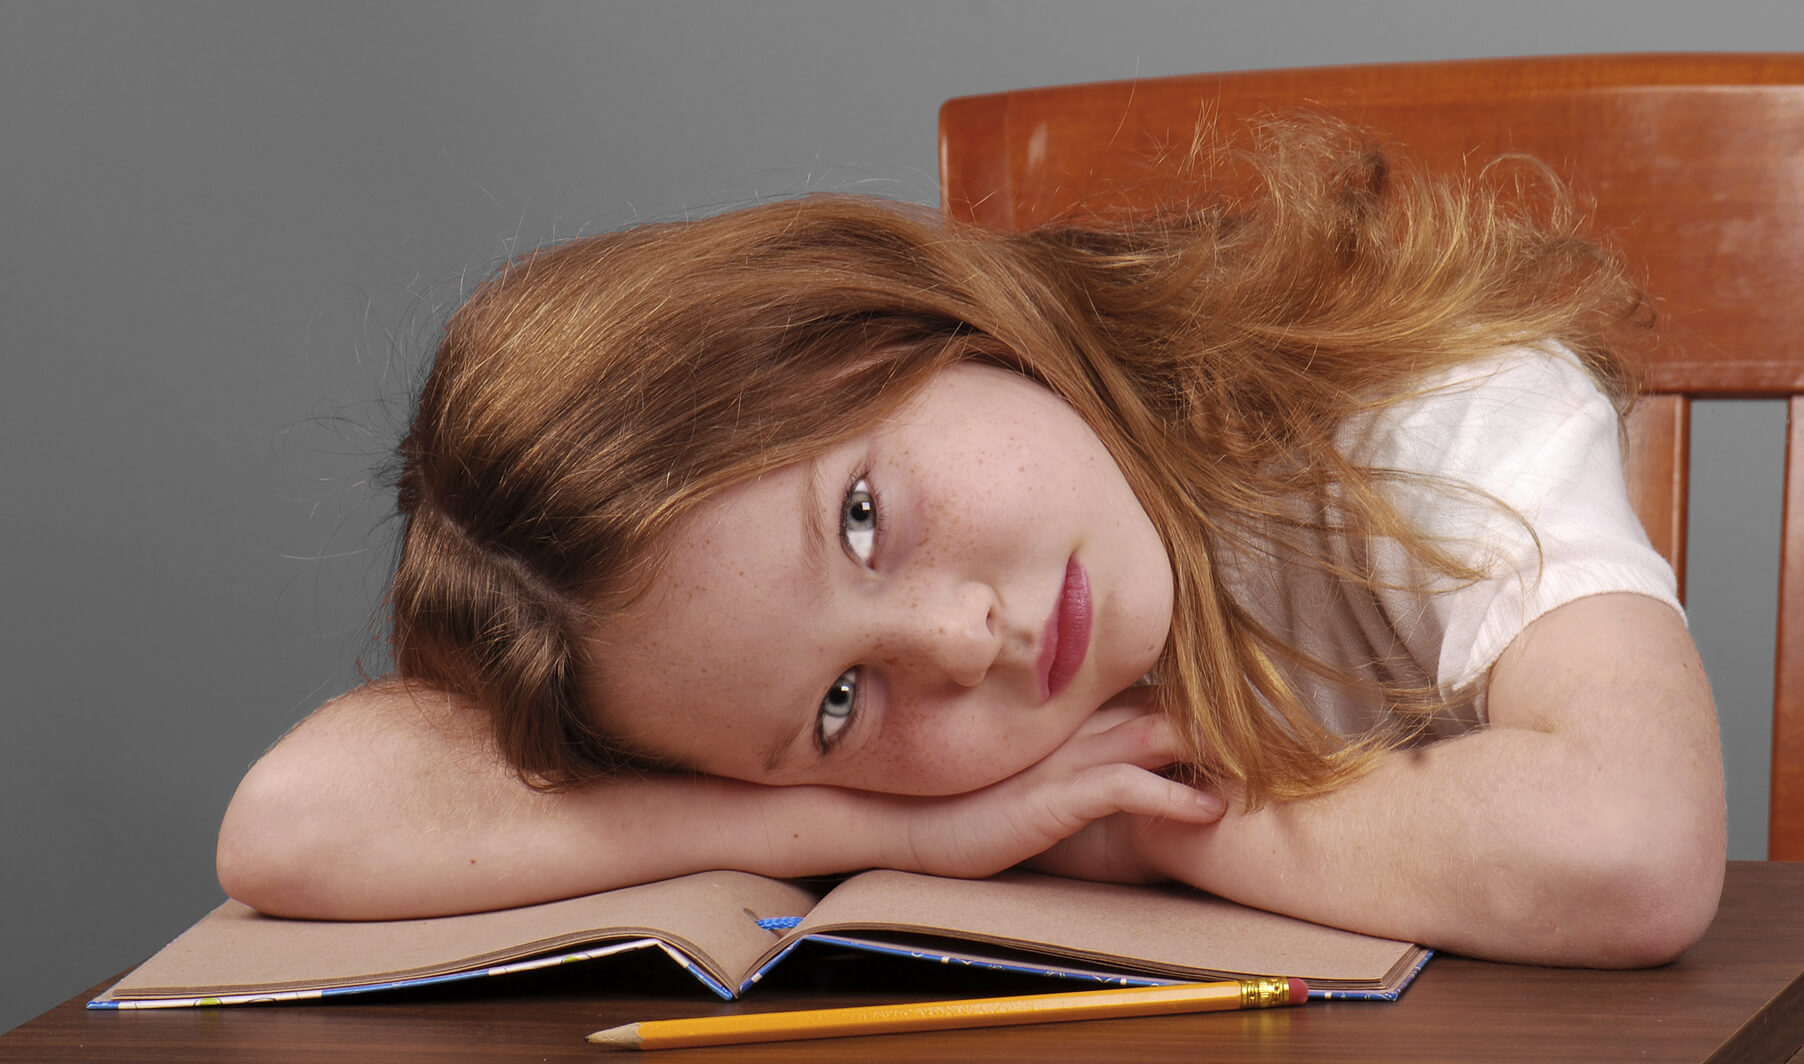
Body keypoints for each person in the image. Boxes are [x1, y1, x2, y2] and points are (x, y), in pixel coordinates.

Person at [216, 120, 1725, 968]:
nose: (958, 646)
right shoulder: (829, 742)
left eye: (865, 516)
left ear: (896, 324)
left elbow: (1625, 850)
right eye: (835, 707)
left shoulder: (1414, 409)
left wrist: (1137, 828)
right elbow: (295, 824)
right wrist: (870, 830)